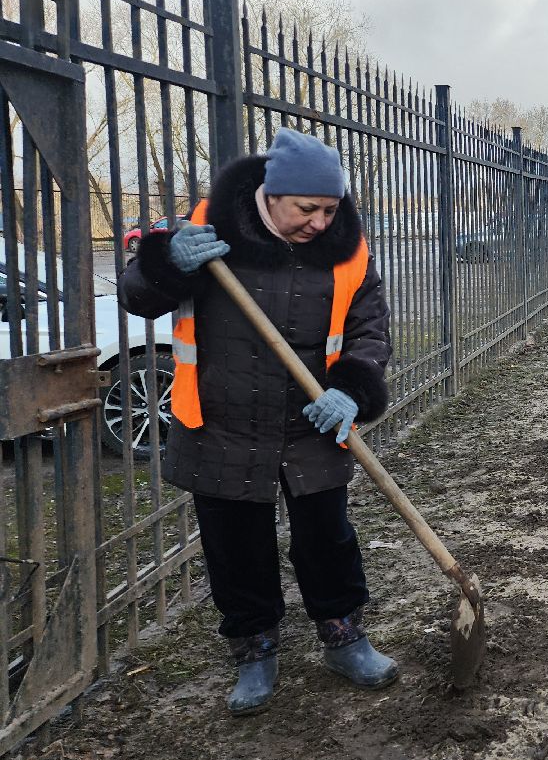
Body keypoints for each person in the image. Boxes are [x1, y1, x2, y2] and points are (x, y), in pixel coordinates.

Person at [120, 128, 397, 716]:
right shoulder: (208, 228)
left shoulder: (348, 249)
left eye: (330, 209)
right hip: (222, 421)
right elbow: (138, 296)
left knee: (328, 536)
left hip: (312, 422)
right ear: (271, 195)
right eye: (307, 208)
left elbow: (371, 328)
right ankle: (255, 648)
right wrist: (168, 262)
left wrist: (349, 390)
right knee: (234, 544)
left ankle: (343, 633)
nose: (321, 222)